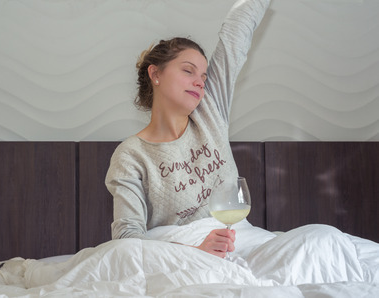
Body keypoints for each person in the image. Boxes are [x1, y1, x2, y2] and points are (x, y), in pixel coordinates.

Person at [105, 0, 270, 258]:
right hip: (181, 254)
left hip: (242, 240)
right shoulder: (131, 155)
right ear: (155, 74)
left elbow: (236, 34)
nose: (199, 82)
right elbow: (127, 239)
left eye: (204, 77)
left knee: (321, 239)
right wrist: (195, 251)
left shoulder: (209, 110)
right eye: (188, 71)